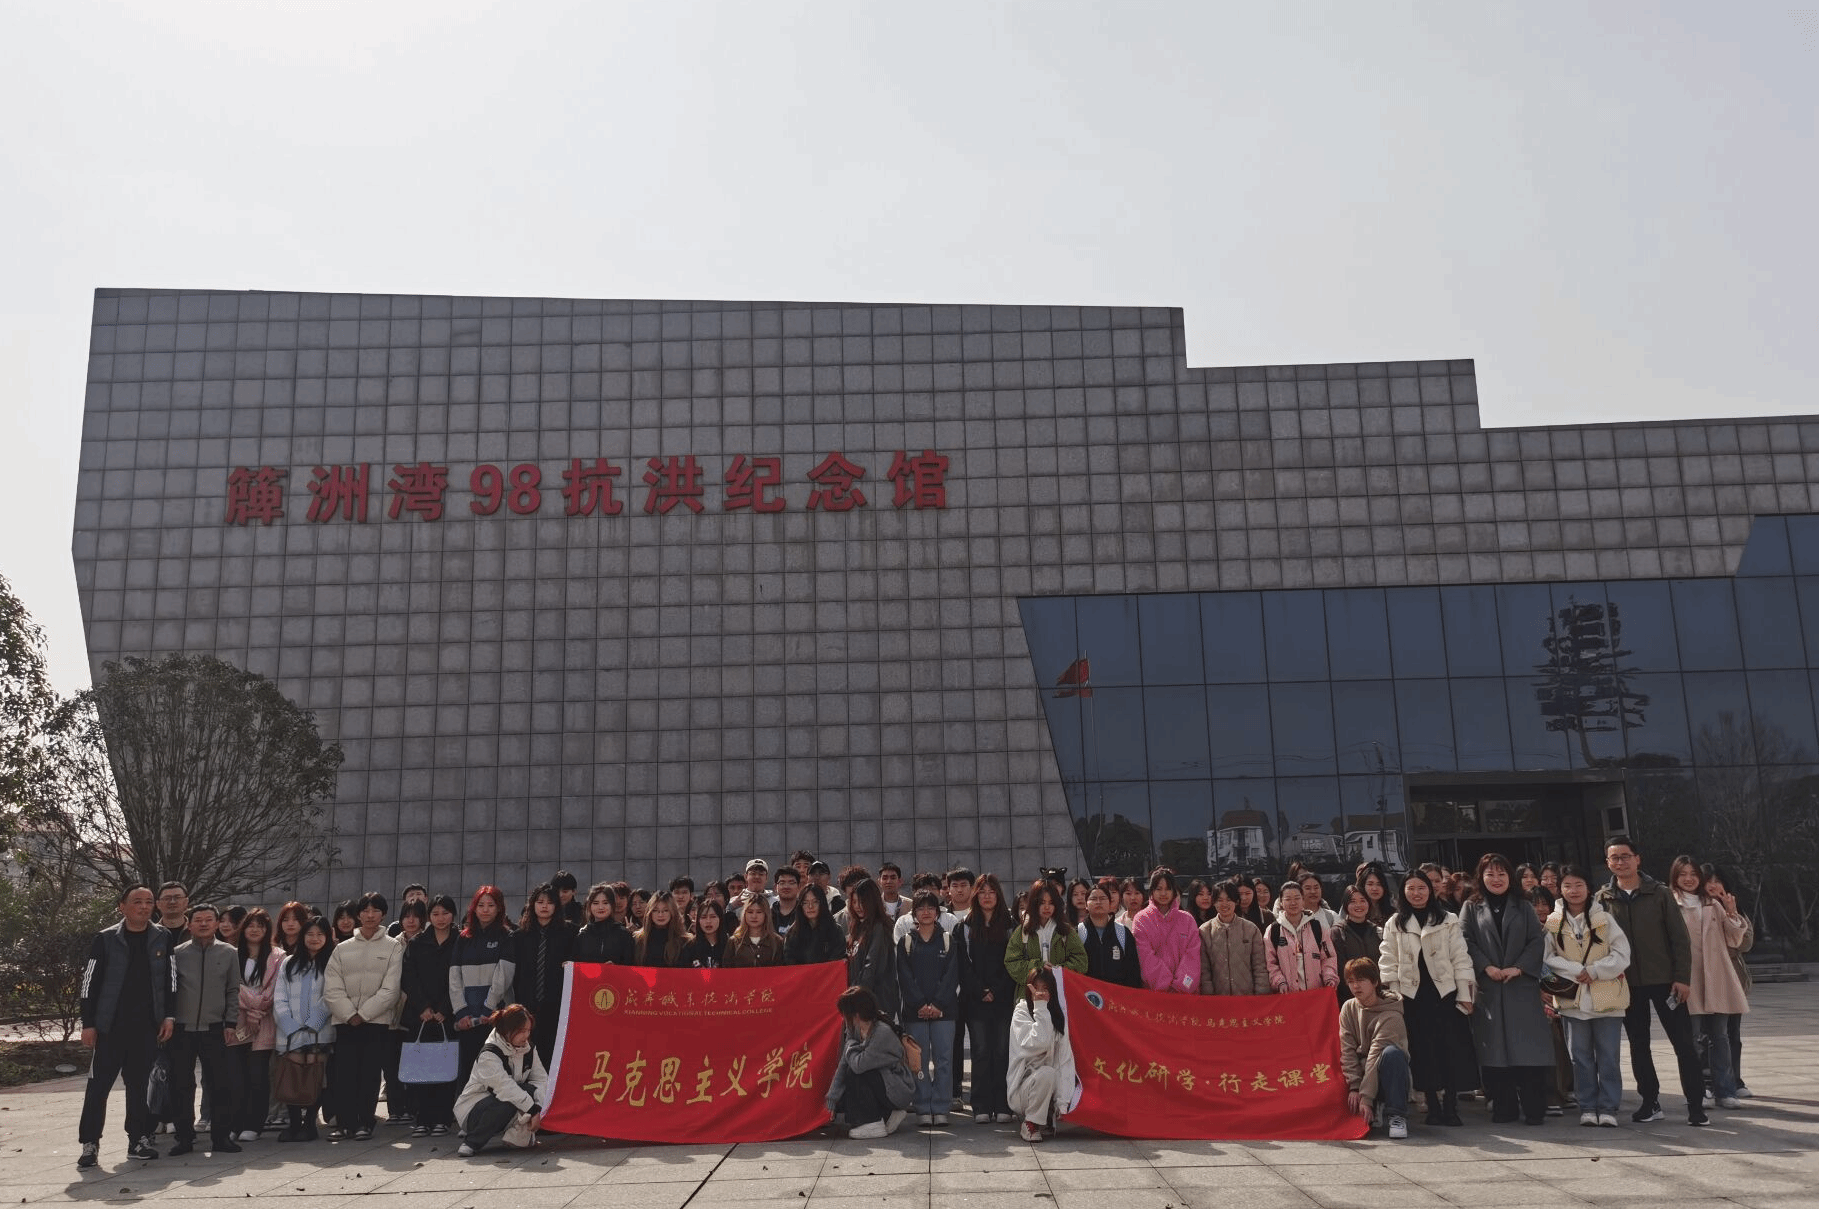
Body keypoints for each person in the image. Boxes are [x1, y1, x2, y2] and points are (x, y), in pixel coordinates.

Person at [1596, 835, 1707, 1125]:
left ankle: (1696, 1105)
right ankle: (1650, 1102)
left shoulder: (1659, 893)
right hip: (1627, 983)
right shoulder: (1602, 898)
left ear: (1637, 859)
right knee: (1638, 1044)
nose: (1620, 862)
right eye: (1614, 858)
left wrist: (1682, 978)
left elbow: (1680, 939)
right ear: (1608, 862)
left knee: (1683, 1043)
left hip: (1665, 981)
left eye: (1625, 856)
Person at [76, 885, 172, 1168]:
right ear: (122, 906)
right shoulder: (105, 938)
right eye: (137, 901)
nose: (144, 907)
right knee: (98, 1087)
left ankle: (138, 1140)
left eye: (148, 902)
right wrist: (88, 1023)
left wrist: (169, 1016)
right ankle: (90, 1143)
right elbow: (89, 982)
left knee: (138, 1086)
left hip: (146, 1027)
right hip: (110, 1027)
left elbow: (171, 979)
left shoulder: (162, 936)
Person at [1459, 853, 1555, 1126]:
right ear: (1481, 877)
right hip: (1490, 987)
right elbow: (1465, 940)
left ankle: (1535, 1108)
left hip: (1521, 986)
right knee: (1495, 1054)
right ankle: (1504, 1107)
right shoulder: (1471, 906)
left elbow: (1536, 941)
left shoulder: (1523, 905)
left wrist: (1520, 968)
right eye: (1490, 874)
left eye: (1501, 874)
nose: (1496, 879)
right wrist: (1485, 966)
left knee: (1529, 1051)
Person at [1380, 871, 1477, 1126]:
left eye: (1421, 888)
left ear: (1430, 890)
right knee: (1423, 1053)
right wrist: (1394, 996)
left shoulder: (1447, 919)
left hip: (1445, 993)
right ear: (1403, 892)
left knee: (1450, 1051)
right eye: (1411, 888)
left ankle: (1451, 1106)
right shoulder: (1395, 923)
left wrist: (1465, 993)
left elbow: (1460, 957)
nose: (1417, 893)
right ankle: (1432, 1105)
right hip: (1413, 996)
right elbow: (1388, 961)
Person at [1543, 865, 1632, 1128]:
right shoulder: (1553, 922)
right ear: (1560, 889)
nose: (1573, 891)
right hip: (1573, 999)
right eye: (1567, 885)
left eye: (1578, 885)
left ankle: (1608, 1106)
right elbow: (1547, 958)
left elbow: (1622, 954)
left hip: (1607, 997)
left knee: (1608, 1057)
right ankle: (1588, 1106)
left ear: (1588, 888)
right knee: (1580, 1057)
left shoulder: (1604, 919)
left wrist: (1594, 971)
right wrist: (1576, 970)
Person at [1669, 855, 1749, 1109]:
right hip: (1688, 978)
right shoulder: (1669, 902)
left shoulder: (1712, 904)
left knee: (1720, 1037)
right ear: (1675, 877)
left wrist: (1731, 911)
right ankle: (1698, 1090)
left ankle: (1725, 1090)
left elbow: (1735, 939)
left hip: (1717, 976)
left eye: (1693, 874)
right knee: (1691, 1039)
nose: (1689, 879)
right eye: (1683, 874)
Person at [324, 891, 403, 1141]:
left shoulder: (393, 947)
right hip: (345, 1022)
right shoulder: (342, 949)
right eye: (365, 910)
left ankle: (365, 1123)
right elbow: (331, 987)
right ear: (359, 915)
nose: (370, 915)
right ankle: (345, 1123)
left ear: (383, 914)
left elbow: (391, 989)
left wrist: (365, 1013)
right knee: (344, 1074)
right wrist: (349, 1014)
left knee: (369, 1074)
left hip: (375, 1022)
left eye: (375, 910)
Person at [166, 903, 242, 1156]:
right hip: (182, 1029)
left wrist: (230, 1023)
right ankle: (184, 1138)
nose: (203, 924)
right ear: (189, 924)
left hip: (215, 1028)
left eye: (209, 919)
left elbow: (233, 990)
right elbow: (169, 990)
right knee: (180, 1084)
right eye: (198, 919)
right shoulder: (177, 953)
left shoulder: (229, 953)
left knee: (220, 1083)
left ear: (217, 923)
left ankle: (221, 1137)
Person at [958, 873, 1017, 1123]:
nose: (987, 896)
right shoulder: (965, 926)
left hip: (1003, 998)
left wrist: (997, 989)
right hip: (975, 999)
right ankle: (981, 1105)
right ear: (976, 895)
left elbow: (1013, 961)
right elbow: (963, 964)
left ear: (998, 895)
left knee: (1002, 1050)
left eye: (992, 892)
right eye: (982, 892)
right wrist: (981, 990)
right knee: (981, 1051)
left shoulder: (1010, 925)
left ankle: (1003, 1104)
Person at [897, 889, 960, 1125]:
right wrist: (920, 1004)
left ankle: (941, 1107)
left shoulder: (948, 940)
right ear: (914, 913)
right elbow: (904, 977)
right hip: (915, 1013)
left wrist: (937, 1004)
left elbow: (951, 976)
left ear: (937, 912)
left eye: (930, 908)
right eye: (921, 908)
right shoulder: (906, 941)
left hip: (945, 1012)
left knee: (944, 1060)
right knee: (918, 1060)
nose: (926, 912)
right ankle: (923, 1106)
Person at [453, 1004, 548, 1158]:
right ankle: (471, 1142)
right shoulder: (489, 1054)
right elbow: (505, 1088)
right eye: (521, 1031)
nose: (526, 1035)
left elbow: (541, 1079)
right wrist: (533, 1110)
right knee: (511, 1099)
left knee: (531, 1092)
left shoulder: (528, 1048)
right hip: (473, 1111)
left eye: (528, 1030)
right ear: (507, 1030)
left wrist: (538, 1105)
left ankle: (516, 1137)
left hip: (508, 1103)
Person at [401, 894, 460, 1137]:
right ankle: (422, 1118)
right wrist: (423, 1007)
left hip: (449, 1014)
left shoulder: (461, 941)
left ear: (453, 915)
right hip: (422, 1016)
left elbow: (460, 978)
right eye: (435, 914)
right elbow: (408, 977)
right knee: (422, 1068)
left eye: (445, 913)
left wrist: (445, 1008)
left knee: (446, 1068)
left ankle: (442, 1118)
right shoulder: (417, 943)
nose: (440, 918)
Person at [273, 916, 336, 1142]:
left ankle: (310, 1123)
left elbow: (332, 995)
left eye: (320, 934)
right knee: (292, 1074)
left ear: (327, 937)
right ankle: (293, 1123)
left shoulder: (332, 962)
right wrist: (288, 1023)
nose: (314, 938)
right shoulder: (289, 962)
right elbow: (279, 996)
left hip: (319, 1030)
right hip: (291, 1031)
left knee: (315, 1075)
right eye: (310, 934)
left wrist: (314, 1022)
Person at [449, 885, 516, 1093]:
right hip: (467, 1019)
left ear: (499, 908)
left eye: (491, 905)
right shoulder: (464, 937)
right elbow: (454, 977)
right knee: (468, 1072)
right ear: (474, 908)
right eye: (481, 905)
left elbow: (503, 976)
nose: (485, 910)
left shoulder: (507, 936)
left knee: (496, 1071)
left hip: (495, 1017)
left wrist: (489, 1009)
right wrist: (461, 1012)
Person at [824, 985, 913, 1139]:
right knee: (851, 1071)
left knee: (855, 1073)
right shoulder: (855, 1029)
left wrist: (850, 1044)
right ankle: (887, 1115)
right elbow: (844, 1063)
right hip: (882, 1083)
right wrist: (832, 1098)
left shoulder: (882, 1032)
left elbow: (859, 1065)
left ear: (856, 1015)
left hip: (897, 1088)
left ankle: (872, 1122)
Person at [1340, 957, 1411, 1140]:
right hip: (1362, 1072)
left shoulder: (1392, 1013)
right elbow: (1347, 1049)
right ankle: (1372, 1108)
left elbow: (1375, 1053)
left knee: (1392, 1054)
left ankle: (1397, 1116)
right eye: (1351, 981)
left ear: (1375, 982)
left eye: (1361, 980)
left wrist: (1365, 1097)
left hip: (1384, 1069)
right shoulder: (1348, 1008)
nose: (1356, 986)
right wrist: (1354, 1086)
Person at [229, 907, 282, 1142]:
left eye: (260, 925)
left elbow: (273, 991)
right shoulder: (231, 954)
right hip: (236, 1022)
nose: (255, 929)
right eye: (250, 925)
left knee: (258, 1075)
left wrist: (256, 1010)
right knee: (236, 1077)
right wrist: (253, 1007)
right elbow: (231, 989)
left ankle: (254, 1124)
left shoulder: (278, 957)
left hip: (264, 1022)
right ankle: (235, 1123)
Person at [1007, 966, 1078, 1143]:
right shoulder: (1021, 1012)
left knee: (1053, 1072)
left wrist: (1062, 1103)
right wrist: (1040, 1007)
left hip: (1048, 1088)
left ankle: (1046, 1116)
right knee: (1047, 1073)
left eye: (1045, 989)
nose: (1040, 993)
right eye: (1036, 988)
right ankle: (1030, 1123)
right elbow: (1038, 1043)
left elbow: (1064, 1060)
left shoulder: (1058, 1017)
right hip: (1022, 1090)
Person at [1703, 865, 1754, 1097]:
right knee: (1707, 1035)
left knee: (1732, 1034)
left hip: (1732, 980)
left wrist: (1730, 912)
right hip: (1706, 979)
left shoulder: (1734, 908)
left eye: (1717, 880)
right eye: (1708, 881)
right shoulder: (1697, 909)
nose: (1713, 885)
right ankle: (1709, 1082)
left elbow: (1745, 944)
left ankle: (1735, 1080)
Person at [511, 883, 574, 1069]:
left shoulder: (569, 933)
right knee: (526, 1055)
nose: (544, 906)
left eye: (549, 902)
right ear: (532, 905)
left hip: (556, 1005)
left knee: (554, 1055)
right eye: (540, 902)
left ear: (556, 906)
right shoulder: (519, 936)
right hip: (526, 1005)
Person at [383, 901, 427, 1126]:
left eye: (415, 916)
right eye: (406, 916)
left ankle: (413, 1108)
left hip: (416, 1011)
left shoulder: (427, 941)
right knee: (391, 1064)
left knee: (413, 1061)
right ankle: (395, 1109)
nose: (410, 920)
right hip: (392, 1011)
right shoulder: (391, 943)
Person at [1004, 880, 1089, 986]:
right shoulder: (1023, 931)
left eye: (1051, 903)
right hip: (1030, 990)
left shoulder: (1065, 930)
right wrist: (1038, 967)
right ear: (1034, 903)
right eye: (1042, 902)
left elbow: (1081, 962)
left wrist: (1058, 970)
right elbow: (1012, 961)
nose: (1047, 907)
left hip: (1060, 990)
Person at [1132, 867, 1201, 994]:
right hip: (1153, 993)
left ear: (1174, 891)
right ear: (1152, 891)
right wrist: (1165, 985)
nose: (1163, 893)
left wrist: (1181, 986)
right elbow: (1145, 957)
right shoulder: (1141, 919)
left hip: (1185, 994)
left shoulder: (1187, 919)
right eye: (1158, 889)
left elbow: (1193, 956)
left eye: (1168, 889)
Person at [1198, 879, 1269, 996]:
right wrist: (1208, 997)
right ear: (1213, 902)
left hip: (1247, 997)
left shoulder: (1251, 929)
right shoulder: (1205, 931)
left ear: (1236, 901)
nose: (1224, 904)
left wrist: (1262, 995)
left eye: (1229, 900)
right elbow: (1204, 971)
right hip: (1218, 998)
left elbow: (1259, 966)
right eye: (1220, 900)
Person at [1267, 881, 1338, 994]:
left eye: (1297, 898)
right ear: (1281, 902)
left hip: (1316, 993)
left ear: (1303, 900)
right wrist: (1279, 982)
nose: (1293, 903)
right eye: (1288, 899)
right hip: (1287, 995)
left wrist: (1329, 978)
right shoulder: (1273, 930)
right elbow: (1270, 963)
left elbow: (1328, 958)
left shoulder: (1318, 928)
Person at [844, 877, 899, 1013]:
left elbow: (872, 965)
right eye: (854, 902)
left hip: (874, 1003)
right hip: (858, 1000)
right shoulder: (857, 928)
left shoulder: (879, 927)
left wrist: (856, 994)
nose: (858, 906)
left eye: (862, 901)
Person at [1078, 884, 1142, 988]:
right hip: (1087, 994)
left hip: (1117, 994)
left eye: (1103, 898)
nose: (1098, 902)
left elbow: (1133, 972)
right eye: (1093, 899)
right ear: (1086, 905)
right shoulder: (1078, 932)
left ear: (1110, 903)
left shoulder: (1123, 932)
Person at [1332, 886, 1384, 1006]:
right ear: (1345, 905)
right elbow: (1339, 968)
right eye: (1353, 901)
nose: (1358, 905)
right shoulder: (1338, 932)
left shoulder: (1378, 931)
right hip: (1350, 998)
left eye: (1362, 901)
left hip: (1377, 996)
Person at [574, 882, 635, 965]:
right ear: (589, 906)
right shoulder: (582, 935)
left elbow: (630, 965)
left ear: (612, 905)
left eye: (605, 903)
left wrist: (616, 968)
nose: (600, 907)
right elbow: (575, 962)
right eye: (595, 903)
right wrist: (568, 966)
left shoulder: (624, 935)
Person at [785, 884, 846, 965]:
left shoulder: (835, 930)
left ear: (822, 903)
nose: (810, 906)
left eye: (815, 902)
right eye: (805, 903)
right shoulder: (793, 933)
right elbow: (789, 961)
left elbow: (836, 962)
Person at [726, 893, 787, 967]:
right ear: (744, 914)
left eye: (759, 912)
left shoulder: (777, 941)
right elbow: (727, 969)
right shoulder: (734, 941)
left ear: (766, 914)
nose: (754, 916)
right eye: (750, 912)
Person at [632, 892, 691, 967]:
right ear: (650, 913)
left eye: (665, 910)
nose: (660, 915)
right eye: (655, 910)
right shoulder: (638, 939)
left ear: (672, 912)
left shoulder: (685, 941)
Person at [682, 898, 727, 968]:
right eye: (703, 917)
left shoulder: (729, 945)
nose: (708, 921)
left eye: (713, 917)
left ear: (720, 919)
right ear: (698, 920)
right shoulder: (690, 946)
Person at [771, 867, 804, 937]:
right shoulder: (768, 914)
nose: (786, 887)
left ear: (799, 886)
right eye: (782, 883)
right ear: (775, 887)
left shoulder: (805, 912)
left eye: (791, 883)